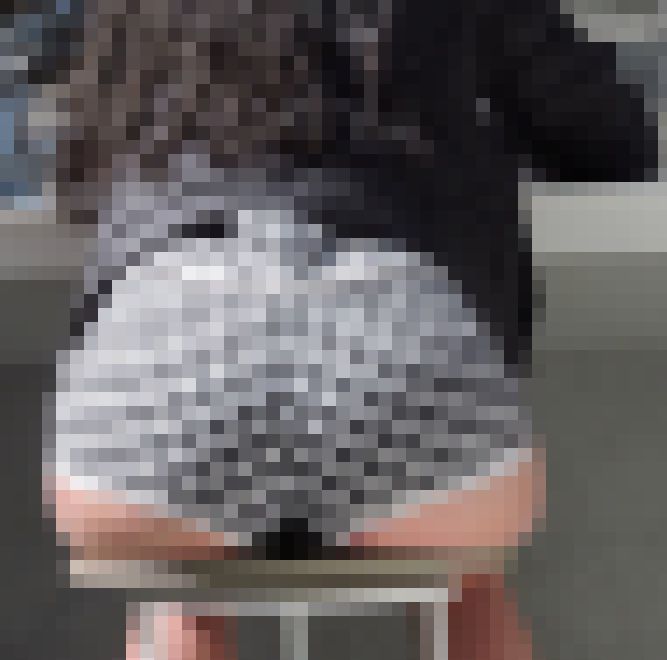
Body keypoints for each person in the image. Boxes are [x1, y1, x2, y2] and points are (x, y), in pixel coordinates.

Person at [43, 1, 655, 658]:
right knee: (466, 575)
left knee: (174, 583)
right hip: (404, 373)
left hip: (154, 406)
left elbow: (77, 168)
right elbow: (611, 136)